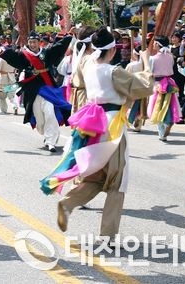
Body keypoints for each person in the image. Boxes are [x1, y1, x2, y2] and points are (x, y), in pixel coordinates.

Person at [42, 28, 153, 242]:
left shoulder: (88, 67)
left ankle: (69, 203)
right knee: (117, 181)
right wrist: (146, 62)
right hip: (112, 126)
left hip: (92, 124)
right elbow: (144, 87)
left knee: (96, 176)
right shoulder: (113, 71)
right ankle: (108, 236)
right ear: (112, 50)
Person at [0, 31, 73, 152]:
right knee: (39, 117)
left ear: (39, 42)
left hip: (47, 88)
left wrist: (69, 36)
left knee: (50, 112)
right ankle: (46, 133)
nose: (32, 44)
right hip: (32, 90)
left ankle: (51, 141)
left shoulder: (46, 53)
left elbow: (58, 47)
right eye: (30, 42)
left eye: (34, 42)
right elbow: (12, 56)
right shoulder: (24, 55)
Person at [148, 36, 182, 142]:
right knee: (168, 105)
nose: (153, 45)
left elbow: (150, 72)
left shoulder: (153, 58)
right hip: (169, 82)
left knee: (157, 106)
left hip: (158, 83)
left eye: (154, 43)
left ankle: (162, 134)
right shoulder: (170, 56)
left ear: (158, 44)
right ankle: (167, 123)